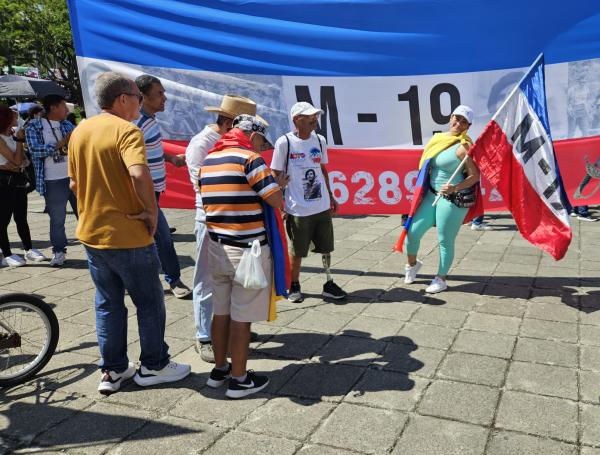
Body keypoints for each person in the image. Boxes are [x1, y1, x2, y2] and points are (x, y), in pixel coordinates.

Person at [68, 72, 191, 394]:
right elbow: (139, 173)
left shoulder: (81, 130)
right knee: (149, 302)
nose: (140, 103)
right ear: (123, 99)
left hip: (92, 232)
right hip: (128, 233)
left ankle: (113, 370)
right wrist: (151, 212)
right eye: (137, 96)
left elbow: (74, 184)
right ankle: (154, 364)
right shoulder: (127, 130)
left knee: (108, 304)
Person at [201, 114, 284, 398]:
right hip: (247, 250)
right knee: (242, 316)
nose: (262, 149)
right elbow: (275, 199)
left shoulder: (209, 160)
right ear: (254, 136)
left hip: (217, 246)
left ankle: (219, 369)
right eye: (261, 143)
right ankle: (239, 379)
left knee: (220, 311)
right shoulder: (249, 159)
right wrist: (279, 183)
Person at [185, 94, 258, 363]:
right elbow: (202, 185)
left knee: (236, 279)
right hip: (211, 220)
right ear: (230, 122)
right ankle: (205, 335)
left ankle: (232, 327)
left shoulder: (235, 144)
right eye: (246, 128)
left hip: (235, 221)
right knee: (206, 279)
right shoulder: (202, 143)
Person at [271, 102, 347, 303]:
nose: (315, 119)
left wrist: (330, 196)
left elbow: (322, 170)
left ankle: (329, 283)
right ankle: (293, 285)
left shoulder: (320, 140)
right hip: (298, 209)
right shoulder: (284, 143)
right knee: (297, 251)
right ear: (297, 119)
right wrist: (280, 200)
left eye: (316, 115)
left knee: (326, 246)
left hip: (321, 205)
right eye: (310, 116)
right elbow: (275, 174)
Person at [404, 105, 480, 293]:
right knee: (412, 232)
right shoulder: (438, 139)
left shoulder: (465, 146)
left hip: (452, 198)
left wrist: (455, 187)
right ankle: (413, 265)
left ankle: (441, 279)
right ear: (450, 117)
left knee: (445, 240)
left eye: (463, 121)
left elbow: (475, 176)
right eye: (456, 118)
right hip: (431, 194)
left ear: (467, 126)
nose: (458, 123)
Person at [134, 74, 191, 298]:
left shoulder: (148, 120)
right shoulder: (136, 124)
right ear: (143, 96)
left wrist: (170, 158)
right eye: (159, 93)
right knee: (163, 238)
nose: (164, 98)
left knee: (152, 238)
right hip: (143, 194)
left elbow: (150, 149)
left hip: (154, 192)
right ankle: (173, 281)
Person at [25, 94, 76, 267]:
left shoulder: (67, 124)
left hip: (75, 176)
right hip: (52, 179)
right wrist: (62, 143)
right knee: (57, 219)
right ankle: (59, 251)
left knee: (86, 214)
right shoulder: (34, 125)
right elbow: (35, 150)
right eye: (64, 106)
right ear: (53, 108)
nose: (67, 110)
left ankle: (98, 249)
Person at [0, 106, 46, 266]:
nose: (16, 118)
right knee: (3, 219)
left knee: (21, 217)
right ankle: (7, 253)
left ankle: (29, 249)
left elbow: (23, 161)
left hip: (18, 178)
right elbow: (18, 161)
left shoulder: (12, 134)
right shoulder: (2, 138)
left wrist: (17, 161)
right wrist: (19, 142)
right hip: (4, 182)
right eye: (12, 116)